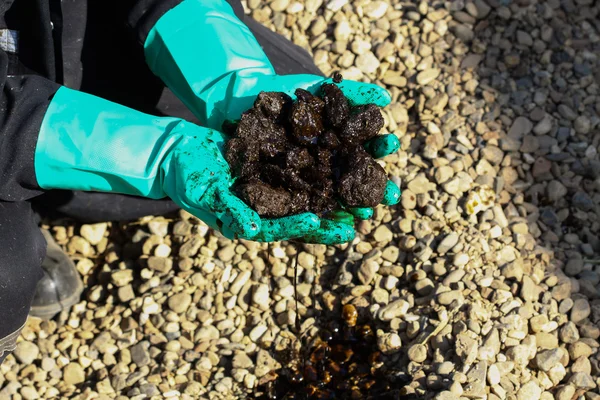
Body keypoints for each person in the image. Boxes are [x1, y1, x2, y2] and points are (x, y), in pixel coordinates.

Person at [0, 0, 401, 364]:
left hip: (63, 20)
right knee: (7, 272)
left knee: (287, 85)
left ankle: (47, 187)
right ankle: (26, 210)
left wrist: (233, 79)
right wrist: (153, 154)